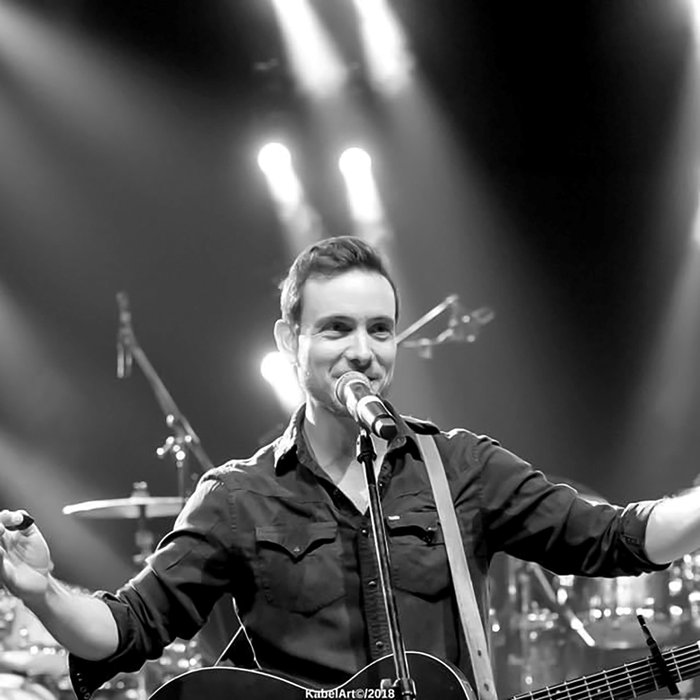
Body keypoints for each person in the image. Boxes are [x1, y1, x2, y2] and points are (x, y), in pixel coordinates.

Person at [1, 235, 699, 700]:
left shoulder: (463, 468)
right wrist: (42, 591)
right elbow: (128, 627)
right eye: (336, 328)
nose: (362, 350)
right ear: (290, 341)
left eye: (380, 329)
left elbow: (619, 537)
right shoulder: (239, 497)